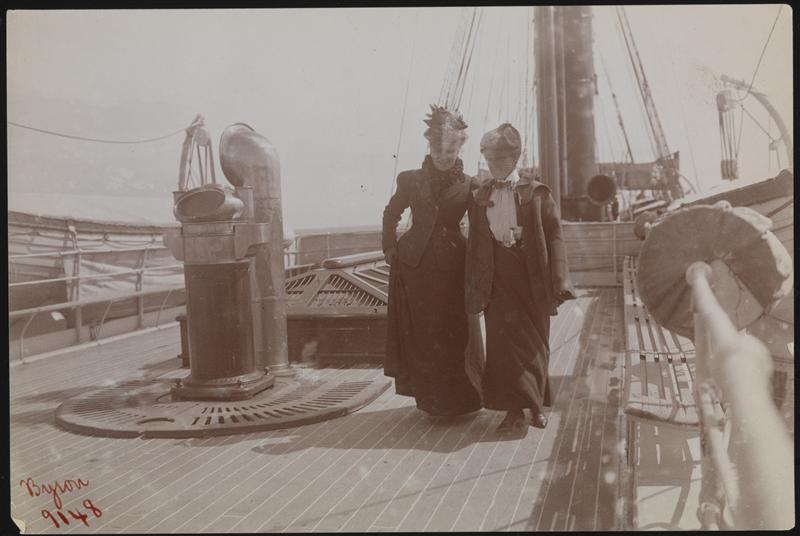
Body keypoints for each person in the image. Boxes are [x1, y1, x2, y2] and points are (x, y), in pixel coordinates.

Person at [465, 123, 575, 433]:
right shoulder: (479, 196)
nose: (494, 165)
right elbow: (475, 243)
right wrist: (473, 286)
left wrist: (560, 281)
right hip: (496, 279)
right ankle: (513, 410)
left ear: (515, 159)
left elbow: (555, 236)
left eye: (501, 159)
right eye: (490, 159)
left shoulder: (537, 193)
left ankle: (535, 406)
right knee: (502, 347)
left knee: (534, 344)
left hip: (531, 277)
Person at [381, 104, 482, 417]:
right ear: (430, 147)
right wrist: (390, 247)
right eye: (439, 150)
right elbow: (391, 213)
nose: (444, 156)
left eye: (450, 150)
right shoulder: (410, 180)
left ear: (459, 148)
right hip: (416, 267)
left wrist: (479, 263)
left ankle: (460, 400)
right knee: (424, 333)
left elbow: (480, 228)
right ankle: (431, 401)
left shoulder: (470, 185)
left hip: (454, 267)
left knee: (453, 331)